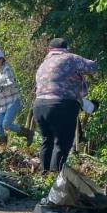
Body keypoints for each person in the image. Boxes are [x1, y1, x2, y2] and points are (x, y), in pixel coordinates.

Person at [33, 38, 97, 173]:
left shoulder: (44, 63)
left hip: (39, 106)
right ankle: (55, 178)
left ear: (49, 50)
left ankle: (44, 175)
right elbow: (92, 67)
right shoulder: (70, 58)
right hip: (62, 105)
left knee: (47, 140)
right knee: (61, 143)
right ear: (65, 49)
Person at [0, 49, 33, 146]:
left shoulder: (6, 69)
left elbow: (10, 83)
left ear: (1, 60)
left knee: (6, 124)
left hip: (13, 101)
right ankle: (3, 146)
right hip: (3, 103)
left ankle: (28, 133)